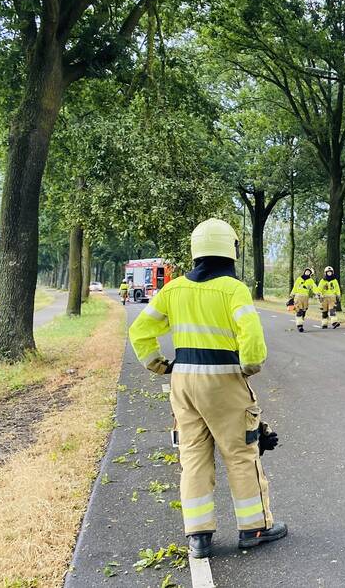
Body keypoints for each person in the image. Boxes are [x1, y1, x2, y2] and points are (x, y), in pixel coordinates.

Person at [128, 218, 286, 559]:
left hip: (183, 382)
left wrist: (159, 364)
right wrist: (249, 364)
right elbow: (251, 336)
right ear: (230, 249)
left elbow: (140, 330)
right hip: (223, 379)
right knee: (241, 454)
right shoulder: (233, 289)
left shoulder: (172, 289)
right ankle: (254, 527)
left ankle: (198, 536)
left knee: (194, 457)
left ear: (196, 250)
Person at [290, 267, 318, 332]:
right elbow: (295, 287)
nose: (307, 272)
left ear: (310, 274)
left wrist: (317, 293)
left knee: (304, 312)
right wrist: (292, 294)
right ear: (304, 272)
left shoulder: (311, 281)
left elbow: (314, 287)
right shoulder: (299, 279)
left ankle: (300, 321)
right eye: (306, 271)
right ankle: (299, 326)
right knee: (299, 311)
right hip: (298, 296)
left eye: (309, 272)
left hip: (305, 297)